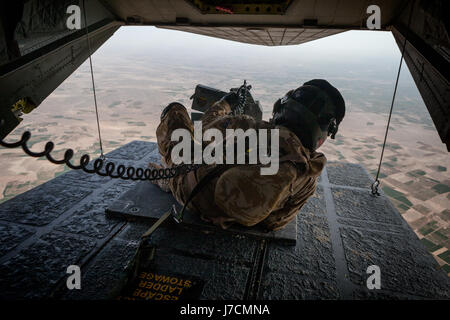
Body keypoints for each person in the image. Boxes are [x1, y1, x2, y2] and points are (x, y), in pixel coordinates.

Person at [149, 79, 345, 231]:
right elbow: (277, 222)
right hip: (244, 221)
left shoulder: (248, 125)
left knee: (175, 112)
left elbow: (206, 128)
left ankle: (169, 177)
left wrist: (225, 103)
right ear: (323, 131)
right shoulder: (309, 169)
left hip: (192, 194)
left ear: (282, 107)